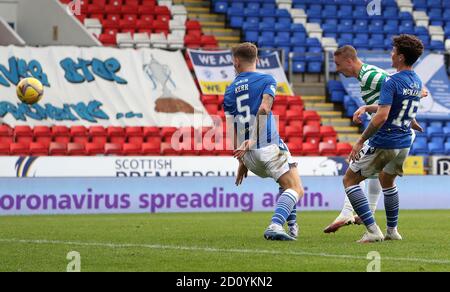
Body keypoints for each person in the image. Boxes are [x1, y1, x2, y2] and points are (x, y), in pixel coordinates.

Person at [324, 45, 426, 233]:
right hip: (399, 133)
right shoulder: (366, 76)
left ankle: (355, 217)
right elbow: (398, 95)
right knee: (382, 177)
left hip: (390, 134)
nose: (336, 69)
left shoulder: (371, 76)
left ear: (349, 61)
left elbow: (398, 88)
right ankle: (386, 227)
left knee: (354, 172)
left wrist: (415, 100)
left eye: (338, 64)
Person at [223, 43, 304, 241]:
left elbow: (230, 127)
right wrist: (252, 139)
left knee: (287, 180)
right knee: (296, 189)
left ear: (236, 62)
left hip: (249, 156)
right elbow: (265, 108)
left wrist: (241, 162)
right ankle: (276, 224)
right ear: (256, 60)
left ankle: (292, 225)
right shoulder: (267, 79)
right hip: (266, 146)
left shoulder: (229, 90)